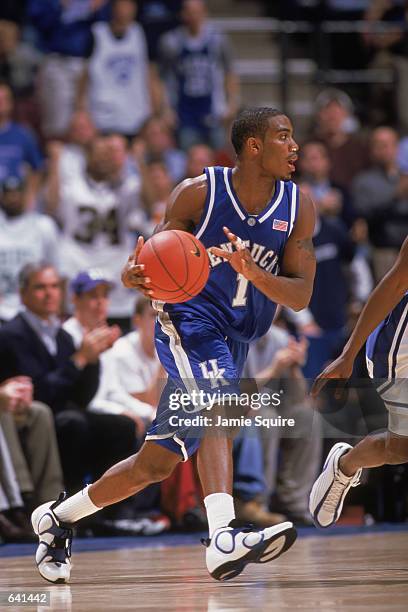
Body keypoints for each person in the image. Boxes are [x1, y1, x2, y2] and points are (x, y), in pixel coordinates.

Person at [31, 107, 316, 583]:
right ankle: (223, 536)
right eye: (283, 137)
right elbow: (150, 260)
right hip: (188, 320)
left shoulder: (297, 206)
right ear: (253, 146)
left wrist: (254, 272)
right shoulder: (199, 194)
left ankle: (57, 518)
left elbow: (302, 294)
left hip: (237, 331)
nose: (294, 146)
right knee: (221, 401)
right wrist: (130, 273)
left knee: (157, 463)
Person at [0, 262, 136, 496]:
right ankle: (72, 503)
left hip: (64, 412)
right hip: (30, 415)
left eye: (54, 286)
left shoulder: (61, 335)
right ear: (23, 294)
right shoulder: (12, 334)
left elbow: (82, 397)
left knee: (122, 426)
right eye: (40, 287)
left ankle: (111, 507)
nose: (49, 293)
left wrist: (92, 360)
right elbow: (39, 393)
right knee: (74, 423)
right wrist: (79, 360)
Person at [309, 237, 408, 528]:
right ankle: (345, 467)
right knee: (401, 449)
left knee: (401, 449)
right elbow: (393, 285)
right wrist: (348, 353)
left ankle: (345, 464)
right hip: (398, 351)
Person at [158, 0, 239, 150]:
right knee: (189, 159)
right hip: (185, 112)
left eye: (197, 12)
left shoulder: (218, 39)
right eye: (190, 12)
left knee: (218, 159)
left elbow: (230, 72)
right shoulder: (171, 42)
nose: (193, 16)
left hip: (214, 111)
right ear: (183, 15)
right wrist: (166, 109)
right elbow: (163, 78)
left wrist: (232, 102)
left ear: (204, 13)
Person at [0, 175, 60, 323]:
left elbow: (56, 272)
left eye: (17, 192)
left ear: (26, 194)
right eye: (8, 193)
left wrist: (56, 311)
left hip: (35, 311)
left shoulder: (43, 225)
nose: (13, 197)